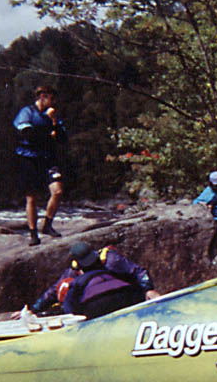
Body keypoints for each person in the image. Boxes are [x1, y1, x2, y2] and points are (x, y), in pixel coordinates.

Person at [25, 241, 161, 320]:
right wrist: (34, 309)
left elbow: (139, 271)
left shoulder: (111, 260)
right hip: (98, 305)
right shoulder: (74, 272)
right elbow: (54, 291)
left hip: (127, 296)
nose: (91, 264)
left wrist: (148, 289)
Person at [14, 85, 68, 246]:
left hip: (48, 158)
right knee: (32, 197)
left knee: (57, 191)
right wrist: (48, 134)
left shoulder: (53, 116)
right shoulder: (27, 112)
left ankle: (48, 225)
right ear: (43, 97)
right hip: (29, 158)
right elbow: (28, 135)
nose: (54, 103)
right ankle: (33, 233)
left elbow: (62, 139)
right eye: (52, 99)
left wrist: (53, 122)